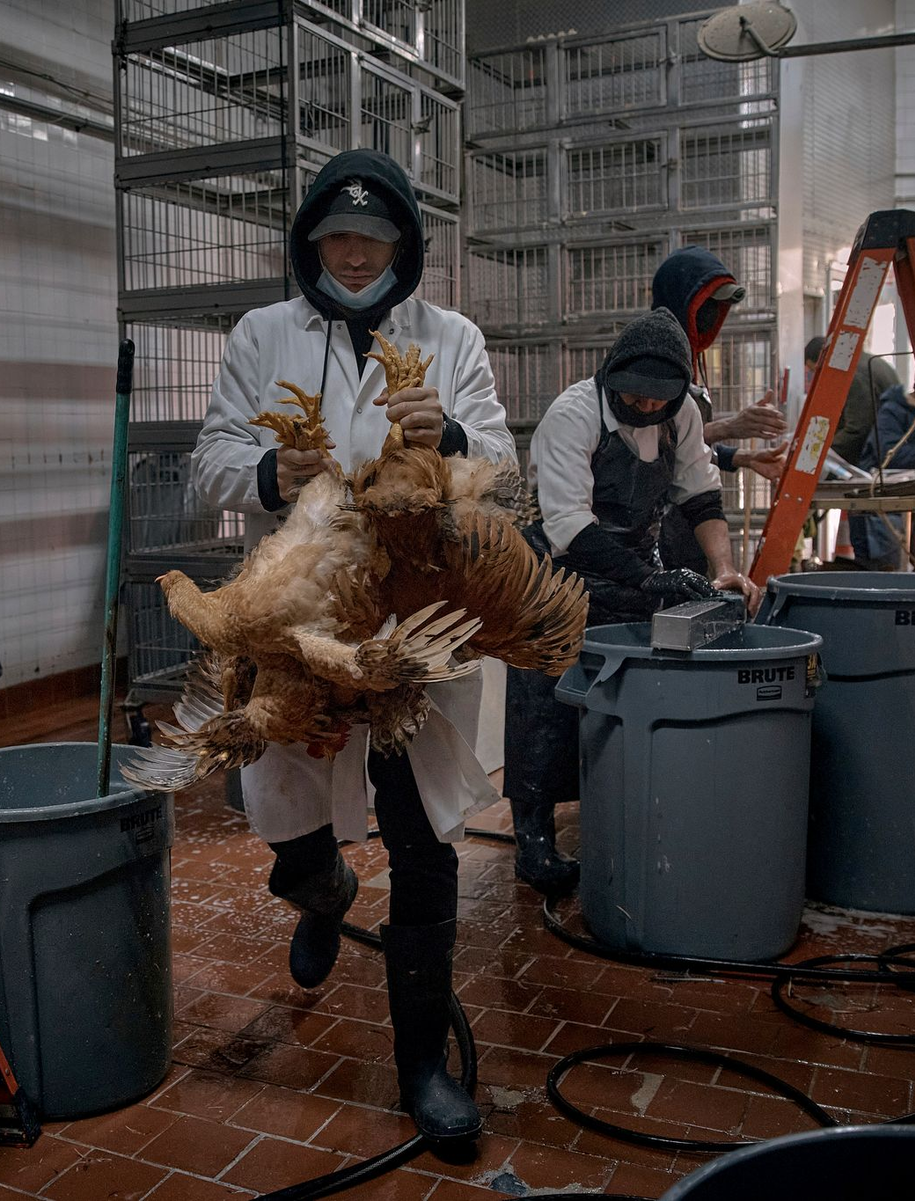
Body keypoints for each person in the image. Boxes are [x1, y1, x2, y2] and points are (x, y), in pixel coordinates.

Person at [192, 148, 516, 1144]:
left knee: (421, 841)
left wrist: (453, 437)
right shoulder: (261, 334)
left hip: (417, 628)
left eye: (374, 238)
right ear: (308, 241)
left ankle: (421, 1066)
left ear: (405, 246)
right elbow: (206, 465)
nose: (355, 252)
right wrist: (268, 473)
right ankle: (321, 891)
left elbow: (500, 461)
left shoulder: (450, 336)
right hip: (301, 633)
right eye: (337, 234)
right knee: (287, 824)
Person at [503, 307, 762, 894]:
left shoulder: (683, 415)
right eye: (634, 397)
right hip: (555, 575)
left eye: (657, 401)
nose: (645, 408)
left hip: (630, 571)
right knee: (543, 706)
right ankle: (534, 842)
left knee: (619, 694)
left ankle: (614, 813)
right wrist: (651, 580)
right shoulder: (573, 416)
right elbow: (569, 525)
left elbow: (700, 497)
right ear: (610, 378)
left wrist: (723, 569)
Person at [651, 247, 788, 573]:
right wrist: (730, 427)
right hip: (657, 528)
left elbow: (691, 449)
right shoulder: (654, 362)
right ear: (684, 302)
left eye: (720, 307)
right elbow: (655, 440)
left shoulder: (691, 360)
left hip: (688, 520)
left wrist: (742, 458)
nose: (714, 314)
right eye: (708, 305)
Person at [803, 335, 901, 468]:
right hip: (892, 448)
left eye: (817, 371)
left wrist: (821, 451)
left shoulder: (853, 375)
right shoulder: (873, 361)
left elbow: (858, 428)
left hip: (877, 457)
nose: (819, 378)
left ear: (823, 357)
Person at [847, 383, 915, 570]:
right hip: (880, 504)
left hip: (902, 503)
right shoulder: (892, 412)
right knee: (886, 571)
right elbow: (892, 455)